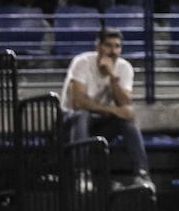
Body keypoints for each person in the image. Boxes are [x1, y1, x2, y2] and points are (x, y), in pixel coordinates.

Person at [61, 27, 152, 187]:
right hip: (70, 124)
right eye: (108, 45)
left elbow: (125, 106)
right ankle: (82, 173)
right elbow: (78, 103)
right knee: (82, 114)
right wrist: (114, 111)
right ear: (98, 46)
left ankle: (141, 174)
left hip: (99, 124)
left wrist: (112, 76)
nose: (113, 51)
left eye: (117, 46)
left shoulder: (124, 68)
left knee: (128, 120)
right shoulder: (82, 62)